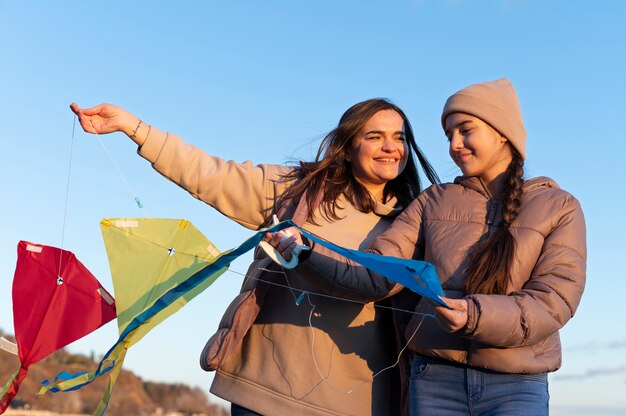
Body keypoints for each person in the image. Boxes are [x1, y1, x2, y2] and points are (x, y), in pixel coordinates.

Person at [70, 99, 439, 416]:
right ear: (348, 144)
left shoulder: (416, 218)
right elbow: (211, 174)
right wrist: (134, 128)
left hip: (356, 403)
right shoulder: (298, 190)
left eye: (399, 137)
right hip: (261, 390)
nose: (391, 147)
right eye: (375, 136)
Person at [271, 78, 587, 415]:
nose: (454, 144)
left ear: (502, 132)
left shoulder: (559, 206)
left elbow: (553, 300)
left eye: (465, 130)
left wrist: (474, 315)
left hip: (517, 386)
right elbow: (378, 273)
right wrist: (306, 256)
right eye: (449, 135)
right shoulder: (432, 201)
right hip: (434, 379)